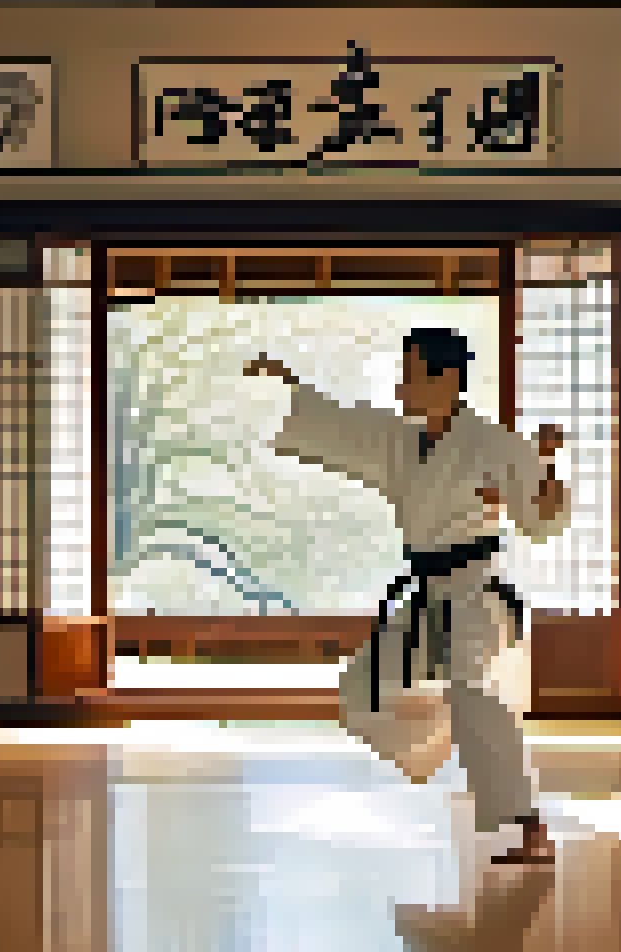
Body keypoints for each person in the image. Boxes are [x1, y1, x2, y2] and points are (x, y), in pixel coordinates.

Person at [245, 328, 568, 865]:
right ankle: (437, 735)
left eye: (412, 375)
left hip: (474, 595)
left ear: (446, 379)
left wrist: (549, 461)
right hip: (426, 596)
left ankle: (527, 826)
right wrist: (291, 385)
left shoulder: (494, 445)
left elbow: (543, 519)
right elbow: (345, 426)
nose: (402, 387)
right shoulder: (401, 441)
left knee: (473, 694)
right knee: (359, 689)